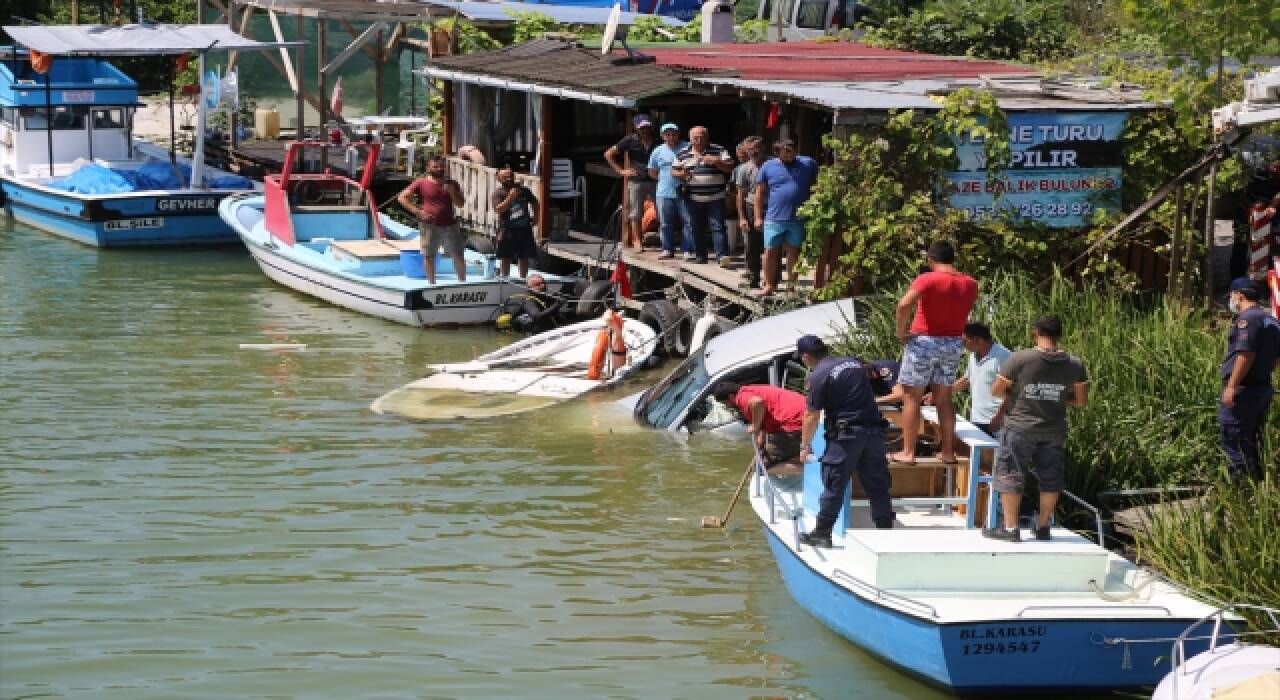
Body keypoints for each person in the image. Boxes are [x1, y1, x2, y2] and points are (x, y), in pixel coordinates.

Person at [983, 316, 1089, 543]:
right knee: (1050, 478)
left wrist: (1020, 390)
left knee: (1011, 473)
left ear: (1035, 333)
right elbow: (1080, 401)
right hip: (1053, 430)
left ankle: (1010, 528)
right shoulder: (1075, 364)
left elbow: (996, 390)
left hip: (1020, 427)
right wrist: (1057, 394)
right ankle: (1042, 527)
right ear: (1060, 335)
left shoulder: (1020, 358)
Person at [795, 335, 895, 548]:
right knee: (877, 484)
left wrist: (805, 445)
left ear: (806, 357)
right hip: (874, 432)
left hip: (846, 436)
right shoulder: (854, 362)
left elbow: (811, 415)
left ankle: (822, 533)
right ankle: (886, 533)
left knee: (834, 483)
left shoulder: (818, 376)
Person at [892, 241, 979, 465]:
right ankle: (948, 452)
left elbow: (903, 305)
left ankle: (908, 452)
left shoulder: (927, 279)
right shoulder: (970, 283)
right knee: (944, 399)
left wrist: (902, 332)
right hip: (952, 344)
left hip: (923, 341)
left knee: (911, 397)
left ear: (930, 260)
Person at [1219, 277, 1280, 480]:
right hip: (1261, 388)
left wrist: (1232, 386)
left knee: (1235, 441)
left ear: (1239, 296)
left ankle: (1238, 494)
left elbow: (1246, 353)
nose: (1232, 302)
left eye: (1232, 297)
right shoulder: (1271, 320)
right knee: (1253, 442)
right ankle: (1256, 492)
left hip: (1243, 391)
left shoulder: (1248, 320)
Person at [754, 138, 819, 295]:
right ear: (777, 154)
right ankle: (769, 285)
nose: (789, 158)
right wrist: (757, 216)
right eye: (785, 156)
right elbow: (759, 193)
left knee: (793, 251)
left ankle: (791, 286)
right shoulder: (768, 166)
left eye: (792, 154)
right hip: (774, 217)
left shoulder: (808, 163)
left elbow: (819, 184)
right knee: (770, 252)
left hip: (798, 218)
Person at [397, 155, 465, 284]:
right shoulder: (421, 182)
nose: (439, 169)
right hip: (429, 225)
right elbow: (402, 198)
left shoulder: (452, 183)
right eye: (435, 166)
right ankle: (431, 284)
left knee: (458, 255)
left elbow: (460, 204)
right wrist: (418, 212)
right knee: (429, 256)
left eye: (441, 166)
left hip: (450, 224)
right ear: (428, 168)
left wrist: (452, 192)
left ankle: (462, 283)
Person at [671, 126, 734, 266]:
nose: (699, 140)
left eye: (702, 137)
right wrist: (683, 174)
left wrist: (717, 161)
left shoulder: (719, 150)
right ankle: (700, 256)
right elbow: (674, 172)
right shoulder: (682, 153)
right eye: (695, 138)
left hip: (716, 197)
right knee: (695, 227)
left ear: (707, 137)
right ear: (690, 138)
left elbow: (730, 167)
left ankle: (722, 257)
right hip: (692, 198)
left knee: (718, 227)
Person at [713, 382, 806, 466]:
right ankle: (803, 460)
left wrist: (755, 426)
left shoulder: (741, 398)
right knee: (764, 454)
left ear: (731, 397)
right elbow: (764, 415)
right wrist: (761, 440)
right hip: (806, 416)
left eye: (725, 403)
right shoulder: (750, 390)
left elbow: (757, 402)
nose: (727, 406)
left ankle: (808, 465)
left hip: (796, 423)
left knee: (762, 465)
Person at [605, 114, 658, 251]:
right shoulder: (630, 140)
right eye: (641, 127)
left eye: (646, 126)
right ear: (635, 128)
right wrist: (621, 171)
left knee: (662, 211)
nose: (644, 130)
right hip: (637, 180)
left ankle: (662, 240)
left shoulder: (658, 140)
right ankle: (637, 241)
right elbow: (608, 154)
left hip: (656, 179)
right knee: (635, 212)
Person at [953, 322, 1012, 437]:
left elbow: (1012, 391)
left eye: (965, 341)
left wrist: (999, 417)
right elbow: (966, 380)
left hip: (997, 422)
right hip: (976, 420)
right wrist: (939, 395)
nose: (962, 345)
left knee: (997, 454)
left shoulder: (1004, 356)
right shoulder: (973, 355)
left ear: (977, 340)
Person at [647, 123, 691, 260]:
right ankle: (667, 249)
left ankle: (687, 250)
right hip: (664, 192)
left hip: (685, 191)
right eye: (668, 134)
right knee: (665, 223)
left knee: (688, 221)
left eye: (674, 134)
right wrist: (662, 178)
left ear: (678, 134)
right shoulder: (658, 150)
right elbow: (652, 171)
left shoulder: (687, 147)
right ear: (662, 136)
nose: (671, 137)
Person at [491, 166, 540, 279]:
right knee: (506, 257)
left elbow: (535, 203)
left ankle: (523, 278)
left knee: (524, 256)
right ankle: (504, 278)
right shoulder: (498, 193)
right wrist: (510, 197)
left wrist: (536, 217)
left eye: (510, 176)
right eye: (505, 177)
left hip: (524, 228)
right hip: (507, 229)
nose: (509, 179)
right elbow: (498, 209)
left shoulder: (523, 190)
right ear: (499, 179)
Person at [733, 136, 766, 289]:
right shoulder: (744, 169)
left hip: (772, 207)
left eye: (757, 148)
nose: (754, 152)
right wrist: (742, 218)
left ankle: (773, 277)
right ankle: (753, 278)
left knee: (772, 245)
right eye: (750, 149)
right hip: (751, 207)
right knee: (751, 245)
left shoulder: (772, 164)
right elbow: (740, 194)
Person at [494, 274, 567, 333]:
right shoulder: (528, 300)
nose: (542, 286)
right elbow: (537, 317)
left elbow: (554, 313)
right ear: (530, 287)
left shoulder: (547, 296)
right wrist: (556, 305)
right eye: (538, 284)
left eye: (543, 283)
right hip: (531, 329)